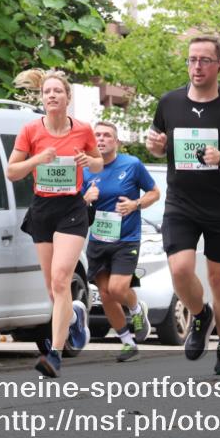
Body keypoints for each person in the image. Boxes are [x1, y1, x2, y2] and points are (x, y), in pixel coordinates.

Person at [146, 34, 220, 375]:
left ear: (219, 65)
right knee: (180, 269)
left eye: (204, 60)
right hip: (181, 203)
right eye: (192, 59)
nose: (197, 66)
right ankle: (200, 316)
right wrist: (156, 145)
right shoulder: (169, 103)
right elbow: (157, 148)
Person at [7, 70, 102, 377]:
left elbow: (99, 161)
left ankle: (55, 354)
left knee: (62, 279)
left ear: (67, 97)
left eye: (57, 92)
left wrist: (89, 163)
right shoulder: (30, 131)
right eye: (47, 92)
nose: (51, 96)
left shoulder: (83, 130)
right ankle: (74, 315)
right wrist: (38, 160)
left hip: (72, 208)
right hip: (42, 209)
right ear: (42, 97)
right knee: (52, 287)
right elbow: (12, 172)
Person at [81, 121, 160, 362]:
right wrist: (86, 197)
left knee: (117, 289)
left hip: (126, 239)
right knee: (105, 295)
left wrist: (135, 204)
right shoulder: (85, 170)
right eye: (97, 135)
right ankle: (127, 342)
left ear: (116, 141)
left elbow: (155, 192)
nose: (102, 139)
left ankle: (137, 309)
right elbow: (75, 205)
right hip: (97, 238)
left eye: (107, 135)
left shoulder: (132, 165)